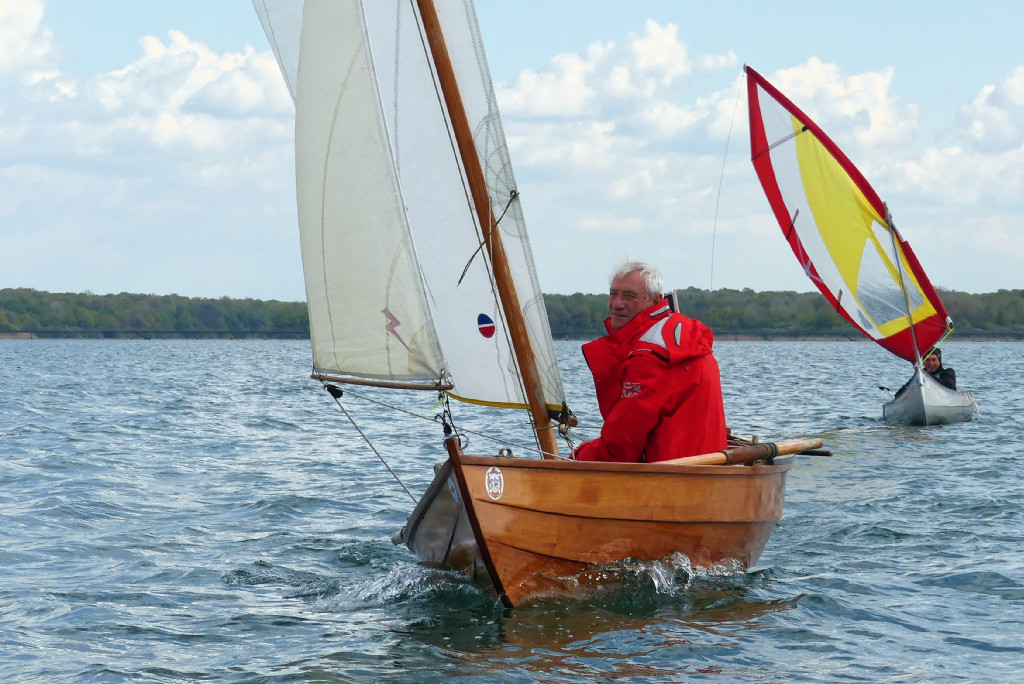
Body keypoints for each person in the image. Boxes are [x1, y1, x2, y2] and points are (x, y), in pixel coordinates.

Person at [572, 260, 727, 463]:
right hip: (708, 474)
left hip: (666, 481)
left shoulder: (650, 354)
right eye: (613, 294)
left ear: (656, 301)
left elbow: (620, 447)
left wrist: (577, 456)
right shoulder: (684, 338)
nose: (617, 303)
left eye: (629, 296)